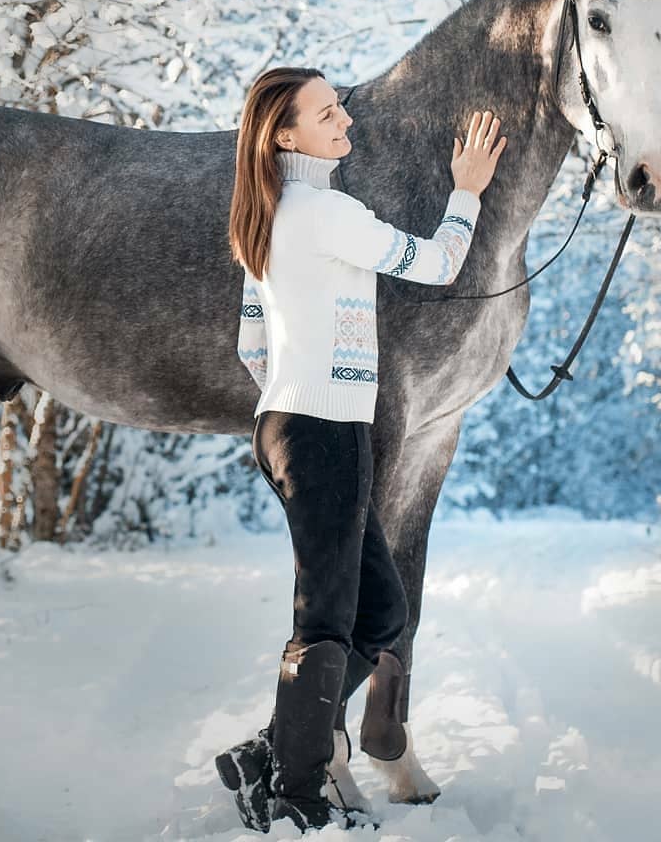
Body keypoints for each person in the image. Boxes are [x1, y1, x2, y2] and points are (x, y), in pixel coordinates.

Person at [220, 67, 506, 833]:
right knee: (326, 621)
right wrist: (467, 190)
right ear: (286, 134)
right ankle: (298, 799)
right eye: (325, 111)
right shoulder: (322, 210)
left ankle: (272, 752)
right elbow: (439, 265)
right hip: (323, 433)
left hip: (291, 424)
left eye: (337, 104)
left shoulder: (269, 213)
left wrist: (302, 390)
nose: (343, 116)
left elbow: (253, 342)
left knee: (380, 610)